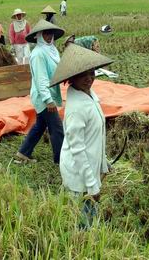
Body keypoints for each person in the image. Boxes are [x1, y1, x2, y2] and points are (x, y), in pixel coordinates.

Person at [50, 44, 114, 229]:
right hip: (79, 175)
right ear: (71, 78)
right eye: (83, 75)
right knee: (82, 223)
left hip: (89, 170)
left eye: (92, 72)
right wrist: (92, 185)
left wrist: (104, 161)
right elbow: (78, 149)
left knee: (89, 217)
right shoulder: (76, 109)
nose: (89, 78)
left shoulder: (90, 96)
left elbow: (94, 138)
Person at [16, 19, 65, 165]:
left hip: (48, 94)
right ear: (39, 35)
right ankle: (61, 160)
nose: (49, 36)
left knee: (40, 125)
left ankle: (23, 152)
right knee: (57, 128)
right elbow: (41, 79)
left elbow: (55, 70)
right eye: (46, 34)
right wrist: (48, 100)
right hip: (43, 97)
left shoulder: (51, 50)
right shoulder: (38, 54)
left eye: (51, 33)